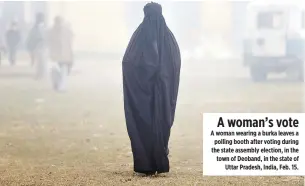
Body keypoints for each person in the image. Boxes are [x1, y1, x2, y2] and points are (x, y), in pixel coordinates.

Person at [122, 2, 181, 176]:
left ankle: (157, 160)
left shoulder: (141, 37)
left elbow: (129, 63)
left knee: (157, 123)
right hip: (148, 93)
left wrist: (156, 75)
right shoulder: (167, 38)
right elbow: (128, 63)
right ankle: (146, 163)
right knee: (148, 123)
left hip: (158, 92)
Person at [48, 16, 74, 91]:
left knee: (63, 72)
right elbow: (50, 43)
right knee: (55, 71)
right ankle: (57, 85)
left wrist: (71, 55)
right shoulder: (52, 32)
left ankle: (61, 87)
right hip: (56, 56)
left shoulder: (66, 31)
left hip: (64, 56)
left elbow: (69, 44)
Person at [26, 13, 48, 79]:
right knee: (40, 61)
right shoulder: (35, 28)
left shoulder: (40, 27)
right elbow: (31, 37)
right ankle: (40, 74)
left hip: (42, 46)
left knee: (42, 61)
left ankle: (41, 74)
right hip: (38, 46)